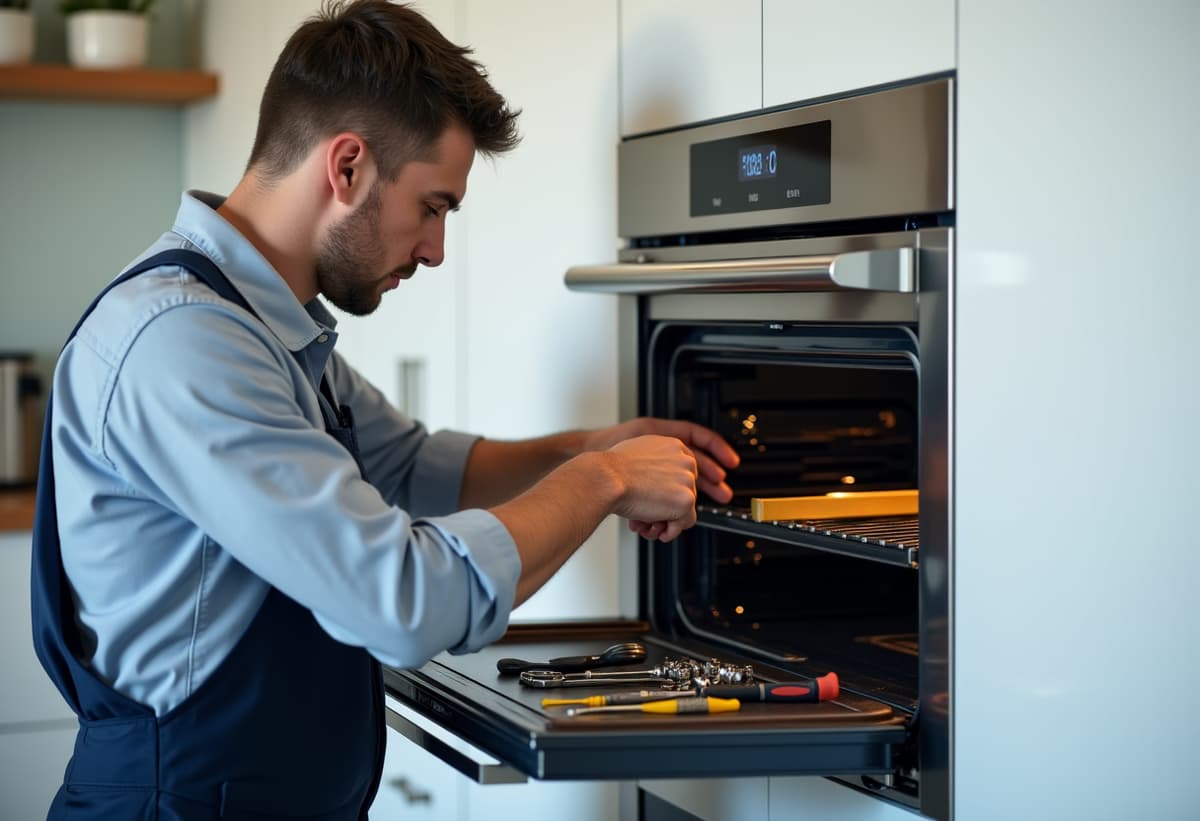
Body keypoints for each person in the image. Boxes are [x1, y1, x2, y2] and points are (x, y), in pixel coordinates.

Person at [30, 1, 739, 819]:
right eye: (433, 207)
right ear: (348, 169)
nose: (435, 248)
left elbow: (418, 466)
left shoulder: (264, 328)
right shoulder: (185, 344)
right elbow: (401, 600)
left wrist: (592, 442)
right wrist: (605, 478)